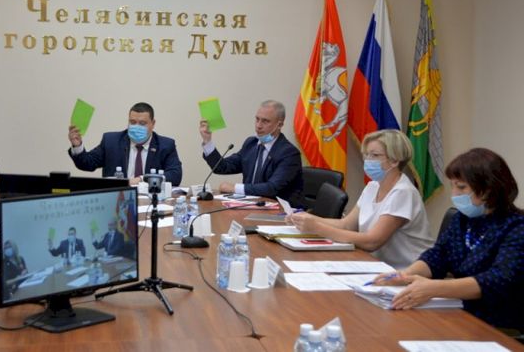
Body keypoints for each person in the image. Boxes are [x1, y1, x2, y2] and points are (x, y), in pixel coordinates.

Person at [373, 148, 524, 333]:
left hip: (498, 323)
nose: (454, 194)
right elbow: (438, 255)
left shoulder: (517, 227)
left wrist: (434, 288)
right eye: (452, 186)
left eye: (461, 187)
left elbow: (498, 280)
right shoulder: (462, 219)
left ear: (488, 190)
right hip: (457, 310)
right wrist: (406, 275)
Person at [288, 129, 433, 269]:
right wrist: (307, 218)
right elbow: (346, 225)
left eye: (374, 155)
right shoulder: (372, 186)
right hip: (373, 264)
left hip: (406, 272)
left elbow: (372, 242)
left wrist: (317, 228)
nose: (368, 160)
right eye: (366, 155)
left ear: (395, 160)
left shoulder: (403, 192)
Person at [200, 100, 303, 204]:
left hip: (279, 210)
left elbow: (271, 188)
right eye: (257, 119)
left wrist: (234, 188)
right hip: (250, 206)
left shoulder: (289, 153)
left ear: (279, 125)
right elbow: (221, 167)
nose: (258, 125)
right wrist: (207, 141)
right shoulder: (251, 144)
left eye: (265, 121)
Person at [68, 102, 182, 186]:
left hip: (151, 200)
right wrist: (77, 146)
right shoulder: (111, 141)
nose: (136, 127)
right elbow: (87, 164)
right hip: (118, 200)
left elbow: (175, 175)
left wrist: (141, 179)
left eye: (142, 123)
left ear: (153, 123)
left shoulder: (165, 145)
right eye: (132, 122)